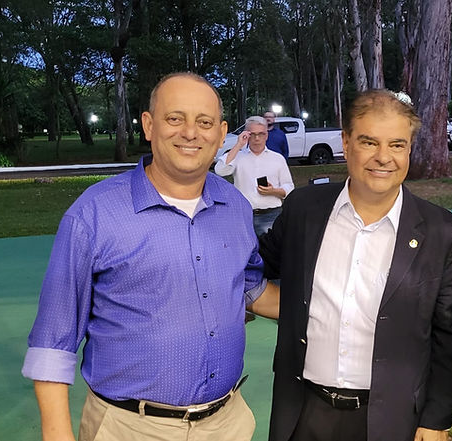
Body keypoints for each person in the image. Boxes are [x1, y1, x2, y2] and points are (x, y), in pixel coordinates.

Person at [22, 72, 277, 441]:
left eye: (204, 122)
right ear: (148, 125)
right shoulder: (94, 214)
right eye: (175, 118)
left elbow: (251, 287)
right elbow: (53, 340)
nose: (190, 132)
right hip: (129, 427)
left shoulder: (234, 206)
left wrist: (331, 309)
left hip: (226, 424)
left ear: (222, 133)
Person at [257, 90, 452, 441]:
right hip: (303, 410)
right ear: (346, 142)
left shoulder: (443, 232)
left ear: (409, 149)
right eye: (369, 142)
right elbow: (258, 264)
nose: (383, 157)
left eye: (397, 145)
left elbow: (447, 336)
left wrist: (436, 419)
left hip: (391, 419)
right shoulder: (304, 210)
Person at [215, 115, 294, 236]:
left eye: (261, 134)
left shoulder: (277, 159)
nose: (257, 138)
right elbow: (220, 170)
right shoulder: (237, 156)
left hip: (271, 215)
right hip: (243, 215)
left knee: (270, 248)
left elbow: (289, 187)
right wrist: (238, 145)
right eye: (252, 134)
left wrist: (274, 191)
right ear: (246, 135)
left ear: (266, 135)